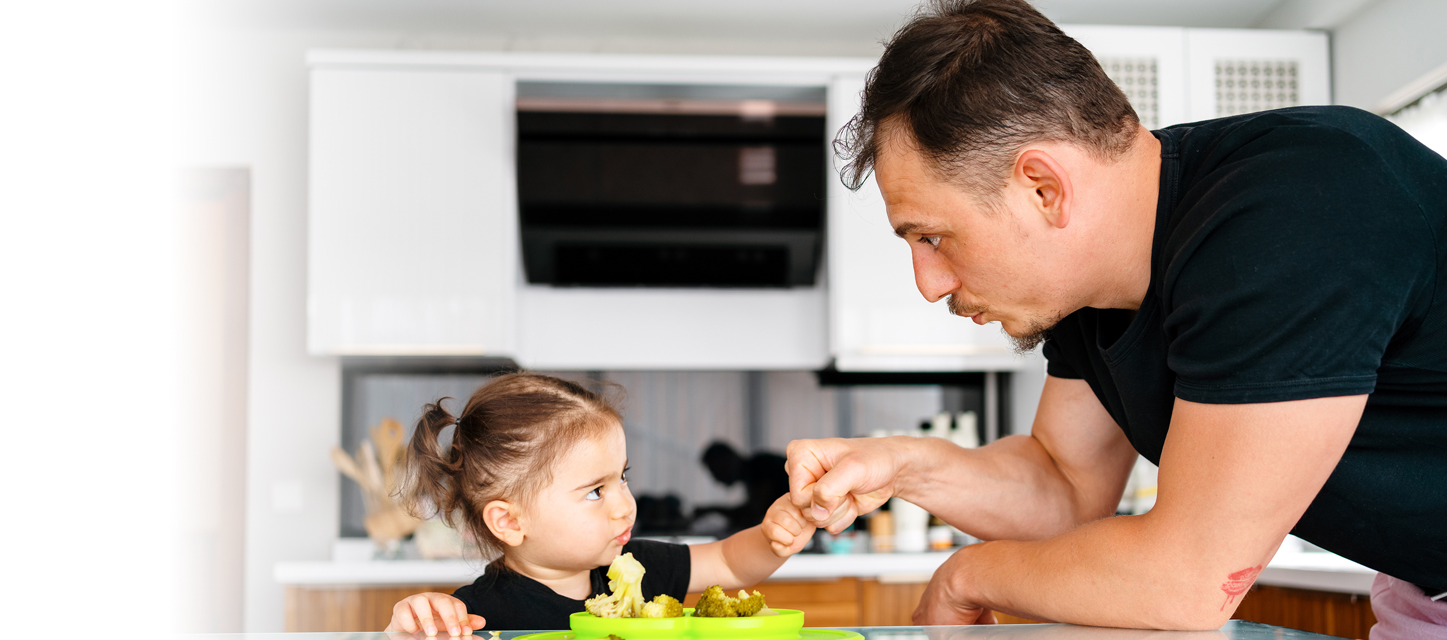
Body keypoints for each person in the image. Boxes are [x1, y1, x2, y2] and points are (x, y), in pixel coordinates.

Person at [777, 0, 1447, 637]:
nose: (929, 285)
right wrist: (899, 466)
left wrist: (967, 576)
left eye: (932, 237)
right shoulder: (1091, 288)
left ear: (1044, 188)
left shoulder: (1291, 211)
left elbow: (1184, 580)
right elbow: (1063, 489)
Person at [384, 373, 813, 634]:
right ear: (510, 522)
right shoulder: (477, 615)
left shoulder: (638, 566)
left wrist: (772, 537)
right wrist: (408, 629)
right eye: (595, 491)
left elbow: (729, 562)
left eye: (622, 477)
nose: (625, 505)